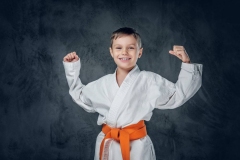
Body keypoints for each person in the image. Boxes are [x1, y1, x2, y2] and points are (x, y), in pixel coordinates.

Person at [62, 27, 203, 160]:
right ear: (111, 52)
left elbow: (177, 95)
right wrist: (72, 69)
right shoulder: (102, 84)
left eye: (131, 48)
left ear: (139, 52)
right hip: (108, 143)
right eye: (119, 48)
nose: (124, 52)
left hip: (137, 146)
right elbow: (80, 95)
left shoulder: (149, 80)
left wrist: (187, 63)